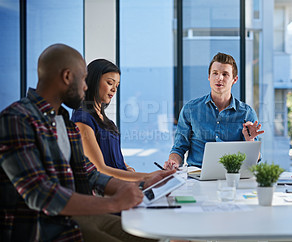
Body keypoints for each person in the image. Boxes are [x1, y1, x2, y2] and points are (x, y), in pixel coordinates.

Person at [0, 43, 174, 241]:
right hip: (42, 229)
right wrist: (114, 203)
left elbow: (89, 173)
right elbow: (40, 194)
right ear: (67, 77)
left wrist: (143, 183)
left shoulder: (64, 122)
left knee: (156, 236)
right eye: (83, 78)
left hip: (78, 217)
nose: (85, 86)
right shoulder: (17, 120)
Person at [164, 52, 264, 169]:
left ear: (234, 79)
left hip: (232, 176)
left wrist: (250, 141)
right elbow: (179, 148)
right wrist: (173, 162)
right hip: (197, 176)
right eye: (215, 73)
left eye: (225, 74)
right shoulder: (190, 109)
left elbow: (255, 160)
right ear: (209, 77)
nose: (219, 78)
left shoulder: (247, 113)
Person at [71, 59, 162, 181]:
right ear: (93, 81)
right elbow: (99, 169)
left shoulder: (108, 122)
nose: (114, 89)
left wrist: (128, 168)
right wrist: (148, 176)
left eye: (117, 85)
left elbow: (116, 159)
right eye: (110, 83)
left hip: (121, 185)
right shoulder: (82, 120)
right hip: (107, 190)